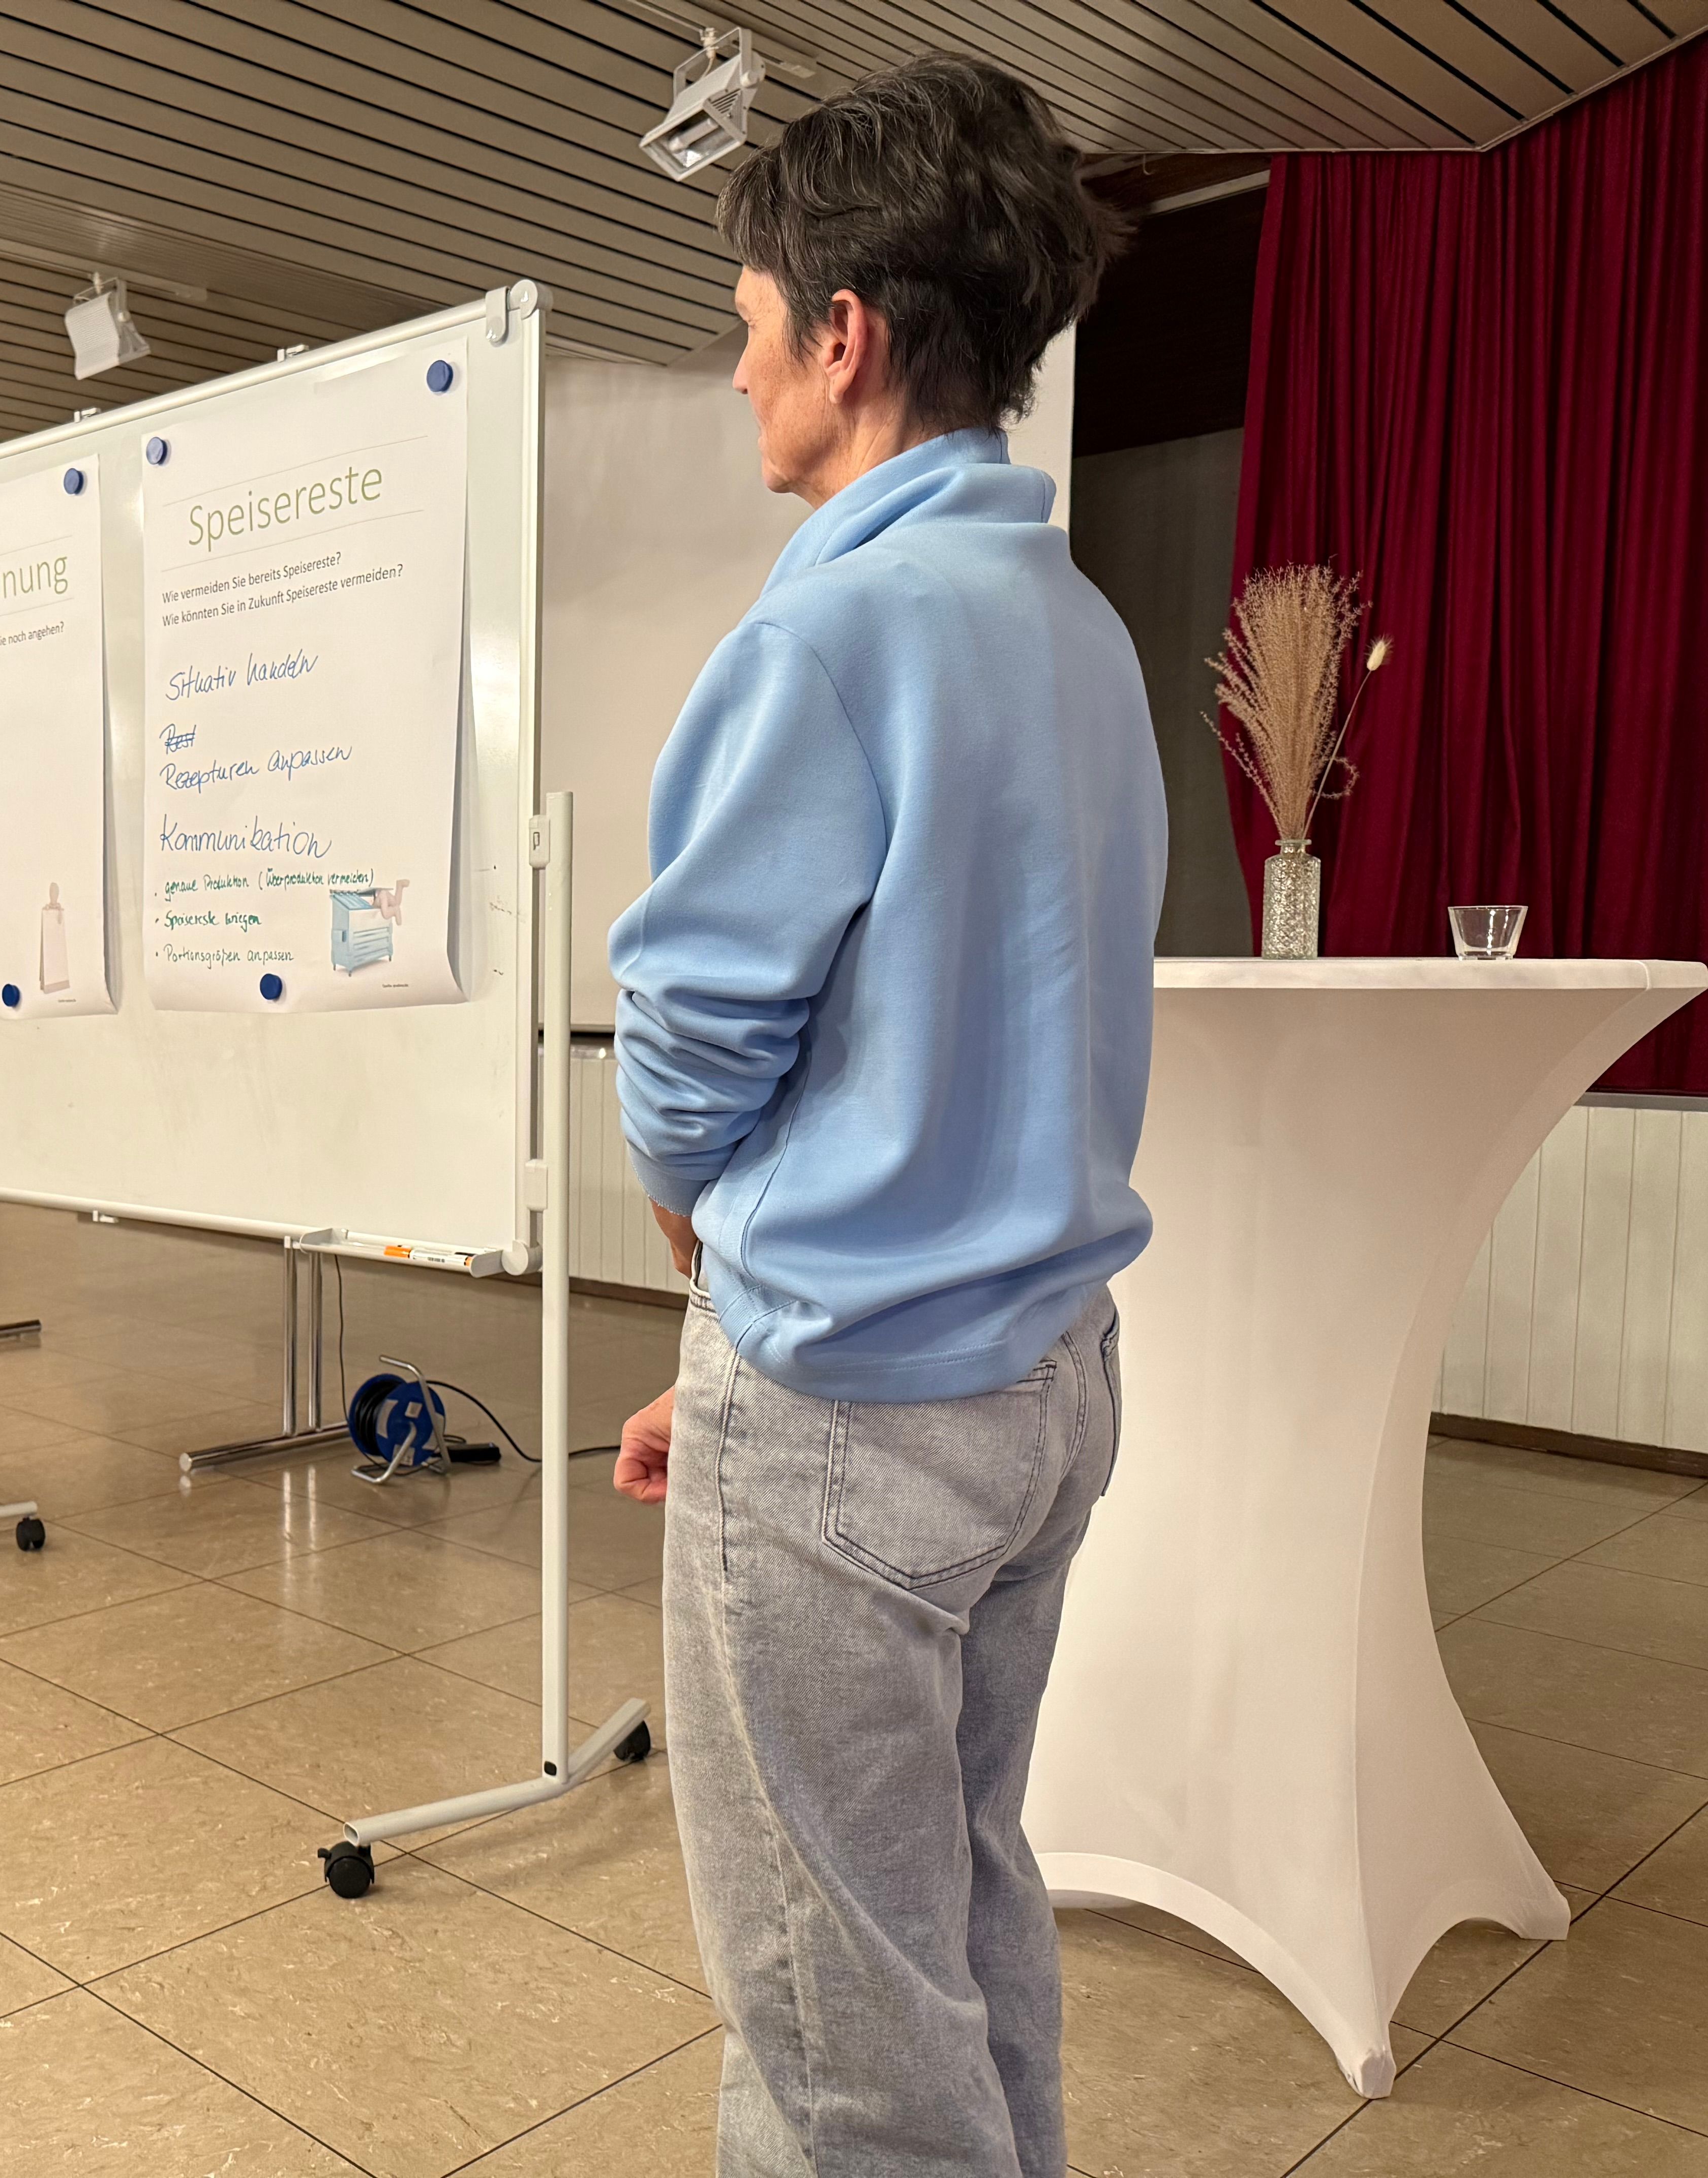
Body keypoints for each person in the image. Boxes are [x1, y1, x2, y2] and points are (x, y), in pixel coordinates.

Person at [605, 57, 1159, 2178]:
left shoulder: (831, 628)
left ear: (842, 335)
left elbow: (689, 1046)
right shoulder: (1079, 629)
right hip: (1043, 1388)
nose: (739, 369)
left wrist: (730, 1293)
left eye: (749, 322)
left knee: (836, 2022)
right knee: (964, 1903)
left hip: (851, 1403)